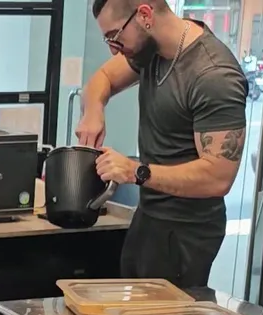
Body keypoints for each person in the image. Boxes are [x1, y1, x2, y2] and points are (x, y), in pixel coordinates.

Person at [76, 0, 248, 288]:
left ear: (145, 15)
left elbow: (218, 178)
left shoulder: (214, 75)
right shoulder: (151, 51)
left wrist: (134, 171)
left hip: (187, 232)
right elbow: (103, 78)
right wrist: (93, 111)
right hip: (149, 216)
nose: (114, 50)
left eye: (115, 37)